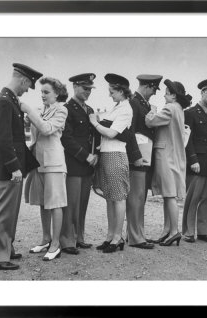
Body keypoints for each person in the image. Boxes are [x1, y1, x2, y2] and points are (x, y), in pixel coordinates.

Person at [0, 63, 42, 270]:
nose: (27, 90)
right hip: (8, 167)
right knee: (2, 211)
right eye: (28, 85)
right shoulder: (4, 102)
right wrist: (14, 167)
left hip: (14, 166)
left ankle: (6, 249)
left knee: (11, 211)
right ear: (23, 80)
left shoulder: (11, 101)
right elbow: (3, 139)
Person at [22, 77, 68, 261]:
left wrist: (29, 112)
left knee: (55, 203)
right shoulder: (40, 110)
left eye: (46, 92)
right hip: (38, 161)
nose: (42, 95)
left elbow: (47, 129)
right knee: (43, 202)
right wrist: (28, 119)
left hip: (54, 163)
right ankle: (45, 239)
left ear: (57, 93)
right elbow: (34, 128)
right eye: (41, 92)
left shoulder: (61, 110)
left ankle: (55, 244)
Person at [89, 73, 133, 253]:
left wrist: (94, 123)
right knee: (109, 197)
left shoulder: (125, 109)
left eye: (112, 92)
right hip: (107, 154)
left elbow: (112, 133)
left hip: (116, 154)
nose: (110, 95)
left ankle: (118, 237)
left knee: (118, 197)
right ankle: (109, 236)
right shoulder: (116, 107)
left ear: (121, 91)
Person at [145, 79, 190, 246]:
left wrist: (150, 111)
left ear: (172, 95)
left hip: (166, 155)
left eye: (166, 92)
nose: (163, 94)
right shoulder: (178, 109)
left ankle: (173, 231)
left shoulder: (169, 108)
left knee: (170, 195)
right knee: (168, 194)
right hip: (174, 155)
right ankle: (167, 230)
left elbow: (150, 121)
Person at [60, 73, 99, 255]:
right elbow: (66, 138)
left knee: (82, 203)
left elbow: (95, 135)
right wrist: (85, 156)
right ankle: (67, 240)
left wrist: (95, 155)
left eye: (90, 89)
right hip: (74, 163)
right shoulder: (67, 109)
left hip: (88, 165)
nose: (88, 92)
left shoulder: (90, 110)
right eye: (85, 88)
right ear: (75, 87)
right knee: (71, 204)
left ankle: (79, 237)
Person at [182, 78, 207, 243]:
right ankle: (189, 232)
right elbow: (187, 139)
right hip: (197, 162)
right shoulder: (190, 113)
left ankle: (205, 231)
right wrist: (192, 160)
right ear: (202, 92)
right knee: (193, 198)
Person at [125, 74, 163, 249]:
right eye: (154, 90)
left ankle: (137, 233)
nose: (153, 94)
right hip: (138, 158)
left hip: (145, 157)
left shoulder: (143, 104)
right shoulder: (133, 102)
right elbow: (130, 131)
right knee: (136, 197)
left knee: (141, 197)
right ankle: (135, 237)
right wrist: (135, 156)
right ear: (147, 86)